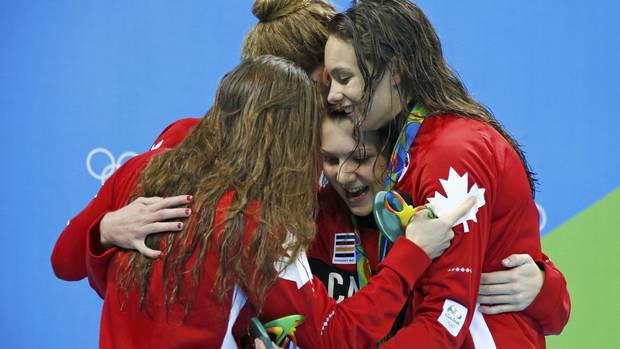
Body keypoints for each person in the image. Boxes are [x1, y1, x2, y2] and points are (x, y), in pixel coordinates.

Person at [51, 0, 569, 343]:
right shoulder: (239, 191)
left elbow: (462, 305)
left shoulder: (413, 153)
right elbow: (332, 332)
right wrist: (105, 230)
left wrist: (548, 290)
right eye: (331, 88)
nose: (343, 171)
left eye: (345, 86)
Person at [323, 0, 569, 347]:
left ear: (395, 71)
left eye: (344, 78)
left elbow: (446, 318)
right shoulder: (414, 146)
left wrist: (550, 290)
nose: (334, 94)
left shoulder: (451, 152)